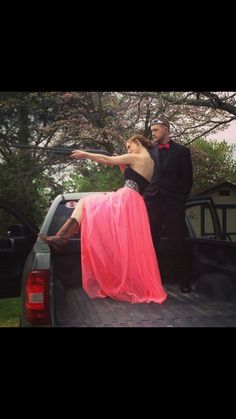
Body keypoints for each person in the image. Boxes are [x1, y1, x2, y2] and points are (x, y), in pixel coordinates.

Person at [39, 134, 167, 304]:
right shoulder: (150, 163)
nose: (128, 150)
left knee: (85, 202)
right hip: (135, 204)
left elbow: (106, 160)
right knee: (125, 246)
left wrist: (85, 154)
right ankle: (62, 237)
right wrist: (122, 165)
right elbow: (132, 179)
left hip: (127, 199)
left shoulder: (137, 157)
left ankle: (62, 237)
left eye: (129, 146)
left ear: (137, 142)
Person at [143, 117, 193, 293]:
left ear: (166, 129)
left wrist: (180, 201)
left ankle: (184, 282)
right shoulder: (149, 153)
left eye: (156, 130)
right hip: (153, 205)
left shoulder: (182, 151)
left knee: (179, 244)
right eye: (152, 130)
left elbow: (187, 180)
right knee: (150, 246)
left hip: (173, 206)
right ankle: (152, 283)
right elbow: (145, 177)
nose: (153, 133)